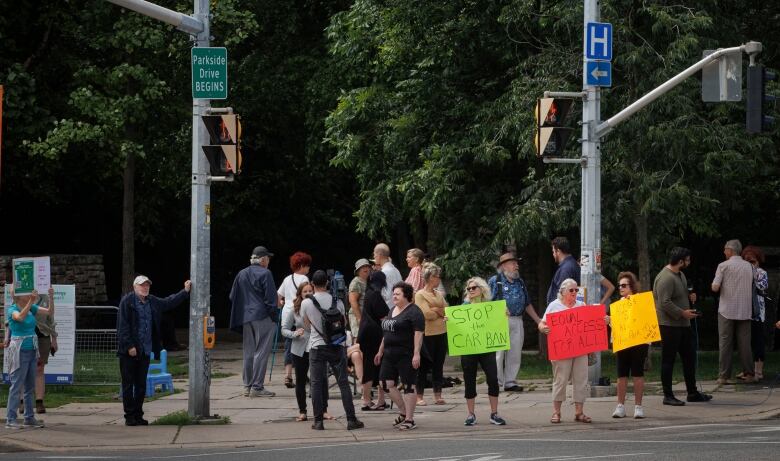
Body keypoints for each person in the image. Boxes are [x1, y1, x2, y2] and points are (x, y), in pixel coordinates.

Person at [117, 276, 191, 426]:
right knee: (128, 384)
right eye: (142, 285)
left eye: (147, 286)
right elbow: (122, 326)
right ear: (135, 287)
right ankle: (129, 416)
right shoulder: (128, 301)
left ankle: (138, 414)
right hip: (129, 351)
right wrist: (130, 346)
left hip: (145, 350)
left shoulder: (152, 301)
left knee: (141, 384)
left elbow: (169, 302)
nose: (145, 288)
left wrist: (185, 291)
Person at [302, 270, 364, 431]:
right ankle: (351, 420)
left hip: (317, 346)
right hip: (336, 346)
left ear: (312, 284)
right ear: (328, 283)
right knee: (343, 383)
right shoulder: (338, 302)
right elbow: (343, 324)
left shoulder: (307, 303)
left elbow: (306, 325)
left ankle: (318, 421)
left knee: (316, 384)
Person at [653, 247, 712, 405]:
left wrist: (689, 295)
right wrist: (682, 313)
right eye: (687, 259)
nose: (689, 262)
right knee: (668, 360)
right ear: (680, 261)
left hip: (683, 325)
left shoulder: (680, 275)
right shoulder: (666, 278)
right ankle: (668, 395)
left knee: (689, 357)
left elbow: (679, 294)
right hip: (669, 325)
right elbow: (664, 302)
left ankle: (692, 392)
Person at [538, 278, 593, 424]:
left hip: (580, 349)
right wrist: (543, 328)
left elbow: (590, 324)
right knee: (560, 380)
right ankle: (556, 412)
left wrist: (603, 319)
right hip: (561, 350)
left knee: (581, 379)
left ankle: (579, 412)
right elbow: (542, 323)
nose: (575, 292)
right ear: (562, 292)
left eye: (576, 290)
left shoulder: (581, 305)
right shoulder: (554, 306)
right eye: (571, 290)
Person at [229, 246, 278, 398]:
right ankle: (257, 386)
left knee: (248, 352)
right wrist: (274, 317)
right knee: (261, 352)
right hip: (262, 316)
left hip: (245, 317)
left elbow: (232, 296)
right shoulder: (266, 273)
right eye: (268, 259)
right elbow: (271, 299)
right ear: (263, 260)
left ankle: (247, 386)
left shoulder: (241, 273)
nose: (268, 262)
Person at [375, 282, 425, 431]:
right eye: (393, 293)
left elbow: (419, 334)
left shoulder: (414, 312)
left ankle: (410, 419)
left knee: (409, 385)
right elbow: (387, 333)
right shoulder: (392, 310)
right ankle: (403, 411)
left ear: (406, 295)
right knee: (385, 383)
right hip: (389, 354)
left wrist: (416, 354)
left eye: (397, 294)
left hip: (406, 354)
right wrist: (380, 351)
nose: (394, 296)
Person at [489, 252, 541, 392]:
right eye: (513, 263)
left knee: (515, 351)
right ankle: (497, 382)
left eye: (516, 263)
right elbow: (486, 302)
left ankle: (510, 381)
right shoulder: (495, 280)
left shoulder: (520, 282)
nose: (517, 266)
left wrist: (538, 321)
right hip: (499, 321)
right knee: (498, 352)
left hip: (517, 319)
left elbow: (527, 303)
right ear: (504, 266)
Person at [459, 277, 505, 426]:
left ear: (482, 289)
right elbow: (458, 326)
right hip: (469, 348)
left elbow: (497, 324)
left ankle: (494, 413)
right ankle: (470, 414)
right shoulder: (463, 307)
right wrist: (450, 321)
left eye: (474, 288)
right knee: (469, 380)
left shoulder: (490, 307)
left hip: (486, 348)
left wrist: (504, 315)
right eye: (469, 288)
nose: (471, 290)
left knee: (493, 378)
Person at [5, 287, 51, 429]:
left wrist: (52, 297)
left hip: (32, 350)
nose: (29, 293)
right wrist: (30, 302)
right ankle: (10, 419)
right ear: (18, 296)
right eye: (25, 292)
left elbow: (49, 312)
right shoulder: (12, 309)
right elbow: (19, 317)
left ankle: (29, 418)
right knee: (17, 385)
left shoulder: (30, 307)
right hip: (19, 350)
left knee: (30, 385)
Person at [712, 239, 755, 383]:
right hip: (745, 309)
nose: (724, 251)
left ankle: (724, 376)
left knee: (725, 343)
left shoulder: (723, 266)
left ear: (730, 250)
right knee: (745, 343)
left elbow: (715, 287)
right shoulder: (749, 267)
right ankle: (749, 374)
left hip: (726, 310)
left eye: (725, 249)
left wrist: (714, 285)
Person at [610, 271, 648, 419]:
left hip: (639, 342)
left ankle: (638, 406)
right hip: (623, 342)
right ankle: (620, 406)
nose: (621, 288)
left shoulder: (641, 301)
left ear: (632, 286)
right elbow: (618, 325)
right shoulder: (618, 305)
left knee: (638, 373)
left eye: (624, 285)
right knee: (621, 374)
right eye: (620, 286)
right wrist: (610, 320)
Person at [277, 251, 312, 389]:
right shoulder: (304, 279)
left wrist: (282, 303)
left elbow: (278, 296)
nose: (309, 268)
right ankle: (303, 373)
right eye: (307, 265)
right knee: (303, 343)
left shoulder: (287, 278)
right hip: (299, 313)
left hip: (287, 313)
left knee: (289, 344)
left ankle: (288, 375)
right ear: (302, 265)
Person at [415, 263, 448, 406]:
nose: (439, 279)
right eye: (436, 276)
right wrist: (439, 311)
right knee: (423, 365)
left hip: (441, 332)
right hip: (427, 334)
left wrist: (437, 310)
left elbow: (447, 310)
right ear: (430, 278)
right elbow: (426, 314)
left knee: (438, 364)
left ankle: (438, 395)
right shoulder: (420, 294)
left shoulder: (439, 294)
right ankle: (419, 396)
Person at [281, 281, 314, 421]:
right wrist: (294, 334)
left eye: (310, 291)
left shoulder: (318, 306)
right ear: (300, 294)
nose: (307, 294)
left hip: (316, 345)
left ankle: (322, 410)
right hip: (299, 348)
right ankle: (303, 411)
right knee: (300, 380)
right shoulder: (295, 310)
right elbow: (284, 329)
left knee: (318, 380)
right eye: (304, 291)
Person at [357, 270, 389, 411]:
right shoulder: (376, 294)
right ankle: (378, 400)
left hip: (365, 334)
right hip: (375, 334)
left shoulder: (368, 293)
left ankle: (367, 400)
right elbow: (384, 316)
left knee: (368, 366)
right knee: (379, 367)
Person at [742, 246, 769, 380]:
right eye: (747, 262)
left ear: (758, 261)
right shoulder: (742, 272)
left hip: (758, 313)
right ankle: (747, 369)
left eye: (752, 261)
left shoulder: (762, 273)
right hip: (745, 311)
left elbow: (762, 286)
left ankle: (758, 371)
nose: (750, 264)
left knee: (759, 341)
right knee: (745, 342)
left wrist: (752, 274)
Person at [33, 288, 58, 414]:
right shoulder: (21, 296)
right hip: (25, 337)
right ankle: (21, 401)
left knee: (39, 368)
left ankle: (39, 402)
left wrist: (54, 339)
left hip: (43, 336)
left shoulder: (45, 298)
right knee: (23, 369)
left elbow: (50, 319)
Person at [546, 237, 581, 306]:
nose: (553, 254)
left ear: (558, 251)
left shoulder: (566, 269)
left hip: (561, 311)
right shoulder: (572, 264)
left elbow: (563, 294)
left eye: (553, 251)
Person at [373, 243, 403, 308]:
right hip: (399, 307)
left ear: (379, 254)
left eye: (374, 254)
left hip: (389, 310)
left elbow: (386, 296)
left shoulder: (383, 272)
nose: (374, 257)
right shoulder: (396, 270)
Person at [348, 258, 371, 341]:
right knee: (358, 339)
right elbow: (353, 301)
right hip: (357, 315)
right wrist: (359, 318)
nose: (365, 268)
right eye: (362, 267)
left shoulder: (369, 281)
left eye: (367, 266)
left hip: (367, 316)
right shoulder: (356, 282)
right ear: (358, 271)